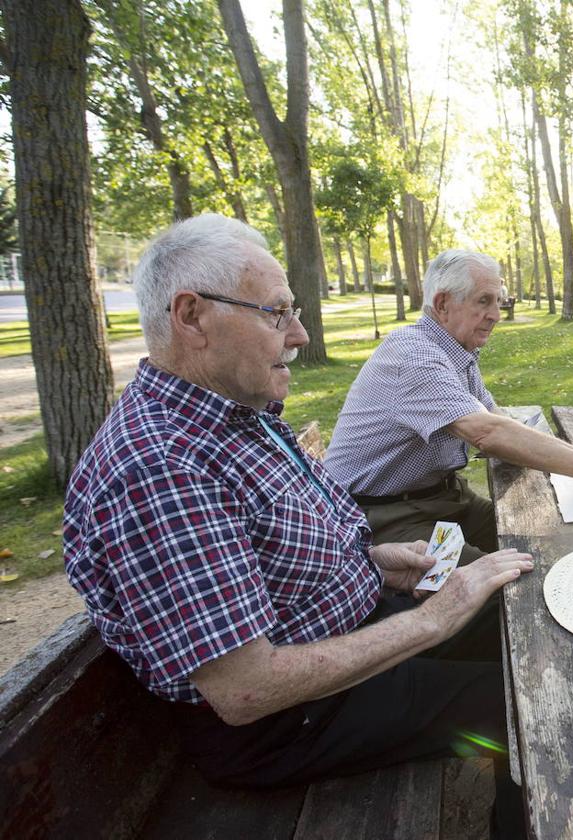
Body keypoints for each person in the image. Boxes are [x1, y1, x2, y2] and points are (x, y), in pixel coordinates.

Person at [62, 215, 533, 835]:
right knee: (527, 703)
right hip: (290, 719)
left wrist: (378, 563)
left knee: (524, 618)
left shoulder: (233, 413)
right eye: (276, 314)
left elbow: (281, 549)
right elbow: (246, 690)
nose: (301, 334)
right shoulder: (161, 467)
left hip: (349, 627)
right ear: (191, 315)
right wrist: (433, 618)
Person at [325, 249, 573, 558]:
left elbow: (496, 417)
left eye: (498, 302)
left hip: (443, 499)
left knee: (549, 546)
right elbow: (488, 433)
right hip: (384, 517)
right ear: (442, 304)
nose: (496, 316)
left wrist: (568, 457)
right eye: (484, 302)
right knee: (510, 590)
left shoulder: (456, 351)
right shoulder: (415, 357)